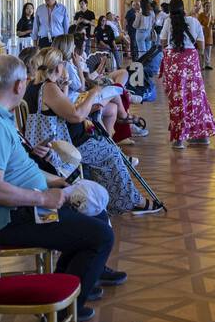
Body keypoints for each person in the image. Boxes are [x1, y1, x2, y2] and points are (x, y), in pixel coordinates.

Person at [0, 53, 119, 322]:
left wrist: (54, 181)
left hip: (20, 207)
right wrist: (44, 197)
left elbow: (15, 170)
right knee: (100, 236)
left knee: (93, 218)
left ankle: (62, 301)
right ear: (19, 86)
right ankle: (59, 319)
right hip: (11, 218)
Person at [25, 46, 159, 213]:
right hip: (61, 145)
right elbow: (76, 116)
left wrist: (65, 85)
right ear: (58, 66)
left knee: (105, 144)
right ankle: (132, 201)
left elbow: (62, 106)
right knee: (111, 153)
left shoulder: (37, 85)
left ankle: (112, 198)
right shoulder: (48, 87)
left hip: (58, 139)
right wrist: (93, 93)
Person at [159, 0, 215, 148]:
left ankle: (179, 139)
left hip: (173, 62)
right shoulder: (193, 21)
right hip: (191, 61)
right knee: (196, 97)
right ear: (183, 8)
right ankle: (202, 136)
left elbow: (163, 43)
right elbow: (202, 46)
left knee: (177, 98)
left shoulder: (167, 22)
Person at [195, 0, 214, 69]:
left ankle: (207, 64)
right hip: (202, 34)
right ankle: (201, 64)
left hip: (209, 34)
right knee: (201, 50)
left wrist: (213, 22)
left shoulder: (211, 15)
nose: (208, 8)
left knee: (208, 50)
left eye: (209, 6)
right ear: (204, 7)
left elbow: (211, 25)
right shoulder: (201, 15)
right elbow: (198, 24)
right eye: (207, 6)